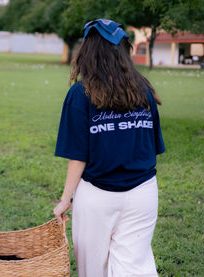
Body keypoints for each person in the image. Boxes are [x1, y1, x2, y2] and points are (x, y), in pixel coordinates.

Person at [53, 19, 165, 277]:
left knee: (94, 269)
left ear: (88, 52)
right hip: (144, 194)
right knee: (135, 267)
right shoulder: (144, 91)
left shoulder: (80, 94)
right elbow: (151, 147)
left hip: (97, 197)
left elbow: (78, 157)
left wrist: (64, 200)